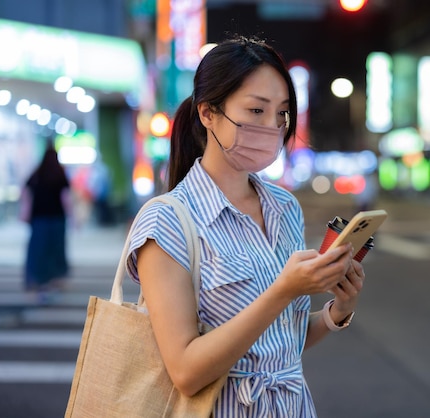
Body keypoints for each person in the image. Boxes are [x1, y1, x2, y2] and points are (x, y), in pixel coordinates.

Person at [126, 35, 365, 417]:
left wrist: (339, 309)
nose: (272, 127)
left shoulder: (285, 207)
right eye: (257, 111)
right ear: (207, 113)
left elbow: (281, 341)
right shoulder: (168, 221)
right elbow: (186, 372)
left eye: (282, 114)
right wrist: (283, 291)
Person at [23, 141, 71, 295]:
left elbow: (25, 192)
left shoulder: (38, 173)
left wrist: (26, 212)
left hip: (39, 218)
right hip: (57, 218)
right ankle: (55, 279)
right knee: (56, 248)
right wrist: (73, 216)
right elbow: (65, 198)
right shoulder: (59, 173)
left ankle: (36, 279)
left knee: (38, 249)